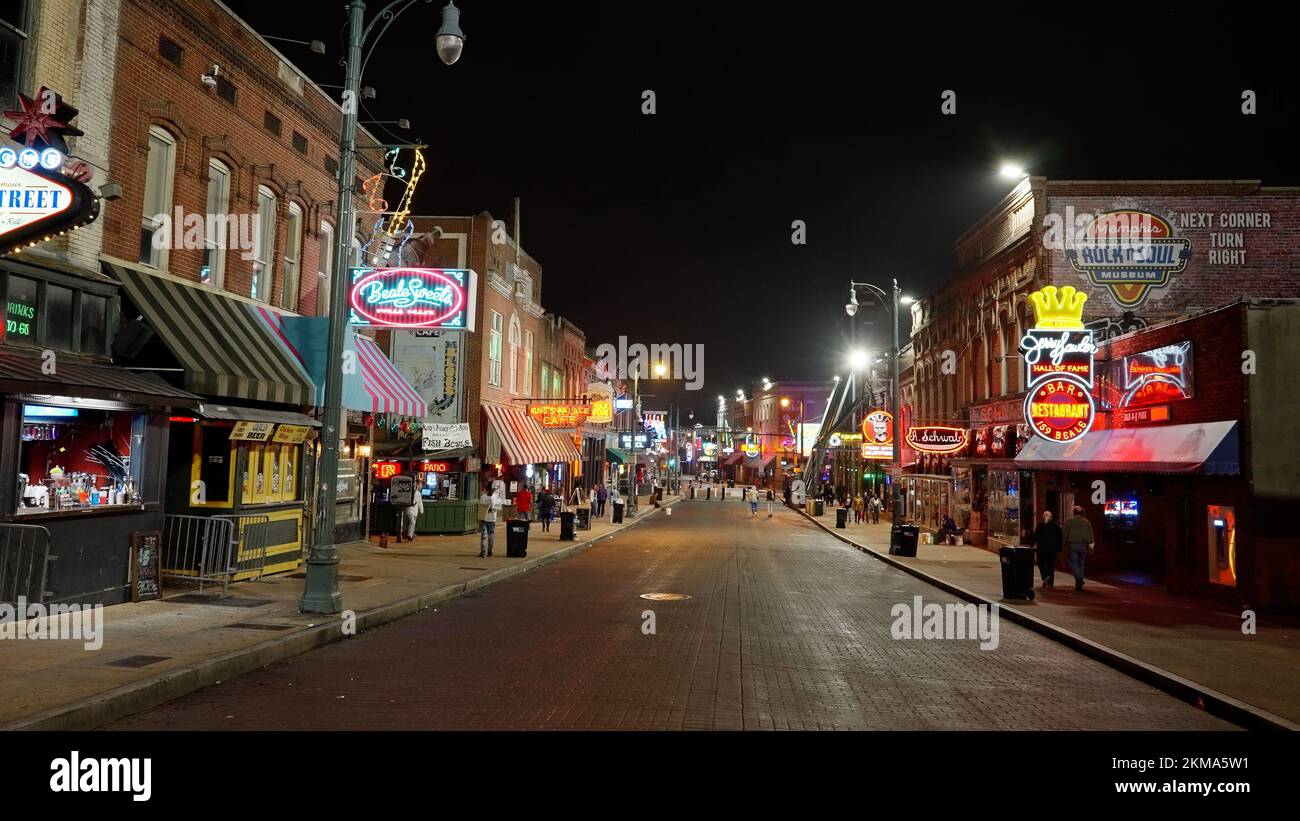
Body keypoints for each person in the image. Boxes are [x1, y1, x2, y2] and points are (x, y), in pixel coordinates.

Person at [1063, 505, 1096, 591]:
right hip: (1083, 545)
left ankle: (1079, 579)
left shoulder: (1069, 522)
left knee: (1073, 563)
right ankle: (1079, 582)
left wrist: (1064, 544)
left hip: (1073, 545)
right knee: (1081, 564)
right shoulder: (1086, 522)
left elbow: (1064, 534)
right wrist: (1091, 545)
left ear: (1074, 513)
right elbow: (1091, 535)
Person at [1030, 510, 1064, 588]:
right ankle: (1050, 583)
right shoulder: (1056, 526)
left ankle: (1045, 576)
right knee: (1050, 565)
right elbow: (1060, 537)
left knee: (1040, 563)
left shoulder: (1040, 525)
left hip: (1042, 548)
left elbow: (1035, 536)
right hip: (1053, 549)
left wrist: (1032, 545)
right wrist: (1059, 547)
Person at [477, 488, 501, 558]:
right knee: (485, 537)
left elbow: (499, 507)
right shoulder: (483, 497)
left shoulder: (496, 497)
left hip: (491, 519)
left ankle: (488, 552)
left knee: (489, 537)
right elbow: (481, 507)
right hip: (485, 519)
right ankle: (485, 552)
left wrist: (492, 508)